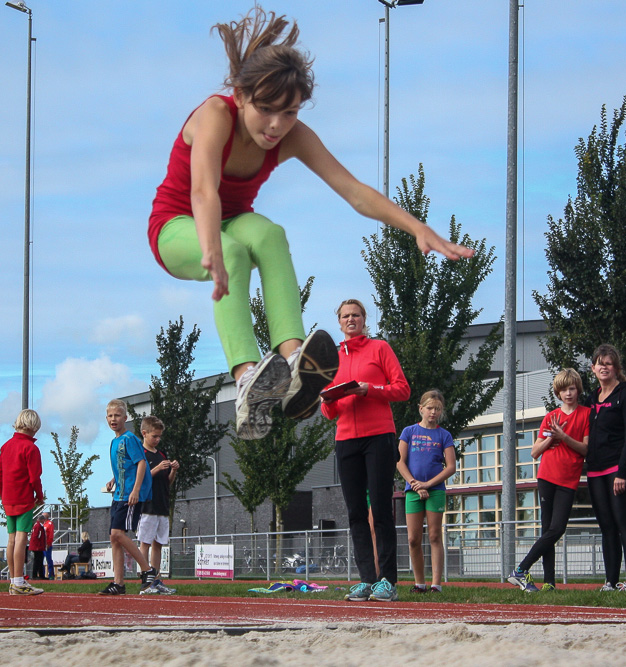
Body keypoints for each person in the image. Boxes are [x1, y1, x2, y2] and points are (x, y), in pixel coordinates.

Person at [147, 6, 473, 440]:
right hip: (177, 225)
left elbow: (354, 191)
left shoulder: (294, 135)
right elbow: (203, 191)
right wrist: (210, 247)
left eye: (291, 113)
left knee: (269, 234)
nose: (277, 126)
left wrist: (415, 226)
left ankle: (296, 360)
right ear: (241, 96)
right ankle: (247, 380)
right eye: (266, 110)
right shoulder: (215, 114)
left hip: (232, 222)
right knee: (233, 250)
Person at [321, 299, 410, 602]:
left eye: (356, 315)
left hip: (379, 437)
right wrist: (329, 400)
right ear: (339, 321)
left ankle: (387, 581)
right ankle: (366, 580)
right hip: (346, 440)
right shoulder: (332, 359)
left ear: (364, 319)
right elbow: (328, 413)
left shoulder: (379, 349)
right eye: (345, 316)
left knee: (381, 510)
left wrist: (369, 389)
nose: (351, 320)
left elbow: (402, 389)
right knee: (356, 512)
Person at [508, 369, 590, 592]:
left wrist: (563, 437)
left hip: (569, 478)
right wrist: (552, 438)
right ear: (558, 393)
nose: (568, 393)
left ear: (578, 389)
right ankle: (549, 582)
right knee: (548, 529)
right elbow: (535, 451)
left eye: (572, 388)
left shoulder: (586, 414)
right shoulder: (551, 417)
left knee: (557, 528)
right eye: (564, 390)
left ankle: (521, 569)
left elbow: (585, 448)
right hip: (547, 476)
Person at [586, 344, 626, 592]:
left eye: (608, 363)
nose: (604, 367)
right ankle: (610, 581)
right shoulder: (591, 399)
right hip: (596, 470)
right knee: (606, 525)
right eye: (600, 363)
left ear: (616, 368)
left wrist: (623, 472)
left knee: (625, 522)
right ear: (593, 368)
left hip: (623, 468)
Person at [397, 390, 457, 594]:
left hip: (436, 490)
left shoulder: (444, 435)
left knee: (434, 535)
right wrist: (415, 484)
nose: (433, 412)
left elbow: (450, 467)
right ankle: (419, 582)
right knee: (413, 538)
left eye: (437, 409)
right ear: (421, 409)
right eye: (430, 408)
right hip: (412, 491)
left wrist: (428, 484)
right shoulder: (409, 432)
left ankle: (436, 584)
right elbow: (400, 462)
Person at [100, 399, 158, 595]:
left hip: (129, 495)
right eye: (110, 416)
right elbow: (125, 465)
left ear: (125, 418)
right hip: (118, 493)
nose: (113, 419)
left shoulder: (129, 439)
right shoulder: (115, 441)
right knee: (114, 538)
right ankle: (119, 583)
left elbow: (141, 463)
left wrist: (135, 490)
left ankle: (147, 569)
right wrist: (113, 480)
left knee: (118, 534)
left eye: (117, 416)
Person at [0, 408, 45, 595]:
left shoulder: (6, 446)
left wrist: (3, 494)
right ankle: (18, 581)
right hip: (23, 498)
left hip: (8, 497)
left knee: (11, 538)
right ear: (34, 426)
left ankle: (13, 580)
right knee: (21, 537)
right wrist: (39, 496)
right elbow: (34, 477)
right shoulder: (31, 448)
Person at [136, 415, 178, 595]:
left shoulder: (161, 455)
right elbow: (141, 480)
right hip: (148, 505)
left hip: (162, 504)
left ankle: (157, 579)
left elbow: (167, 482)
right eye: (154, 436)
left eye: (159, 436)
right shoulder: (141, 455)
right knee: (145, 542)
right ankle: (146, 579)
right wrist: (156, 469)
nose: (157, 439)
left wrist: (173, 471)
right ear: (144, 434)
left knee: (159, 543)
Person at [28, 516, 47, 581]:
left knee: (40, 560)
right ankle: (35, 575)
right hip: (37, 547)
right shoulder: (38, 526)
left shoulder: (37, 525)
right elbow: (36, 536)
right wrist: (37, 546)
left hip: (38, 546)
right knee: (37, 561)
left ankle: (41, 575)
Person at [40, 513, 55, 580]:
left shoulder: (49, 524)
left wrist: (49, 543)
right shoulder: (42, 524)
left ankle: (51, 574)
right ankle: (42, 574)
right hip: (41, 544)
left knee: (48, 559)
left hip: (47, 545)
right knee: (41, 559)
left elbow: (51, 535)